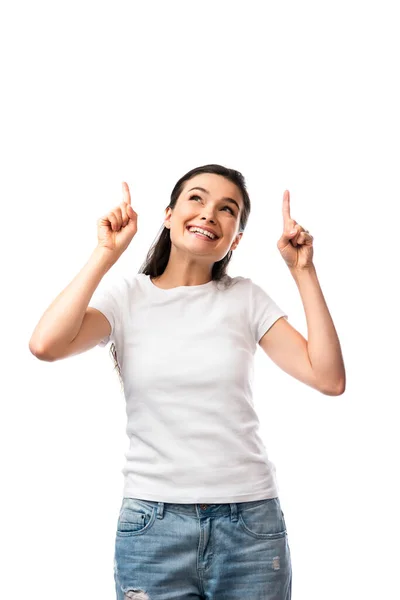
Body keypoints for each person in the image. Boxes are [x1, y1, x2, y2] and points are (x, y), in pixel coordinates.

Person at [29, 163, 346, 600]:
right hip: (152, 526)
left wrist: (303, 271)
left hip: (250, 523)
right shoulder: (125, 297)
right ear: (168, 214)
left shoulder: (245, 298)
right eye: (196, 198)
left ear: (235, 239)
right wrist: (106, 252)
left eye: (227, 209)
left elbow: (328, 378)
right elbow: (46, 345)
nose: (208, 213)